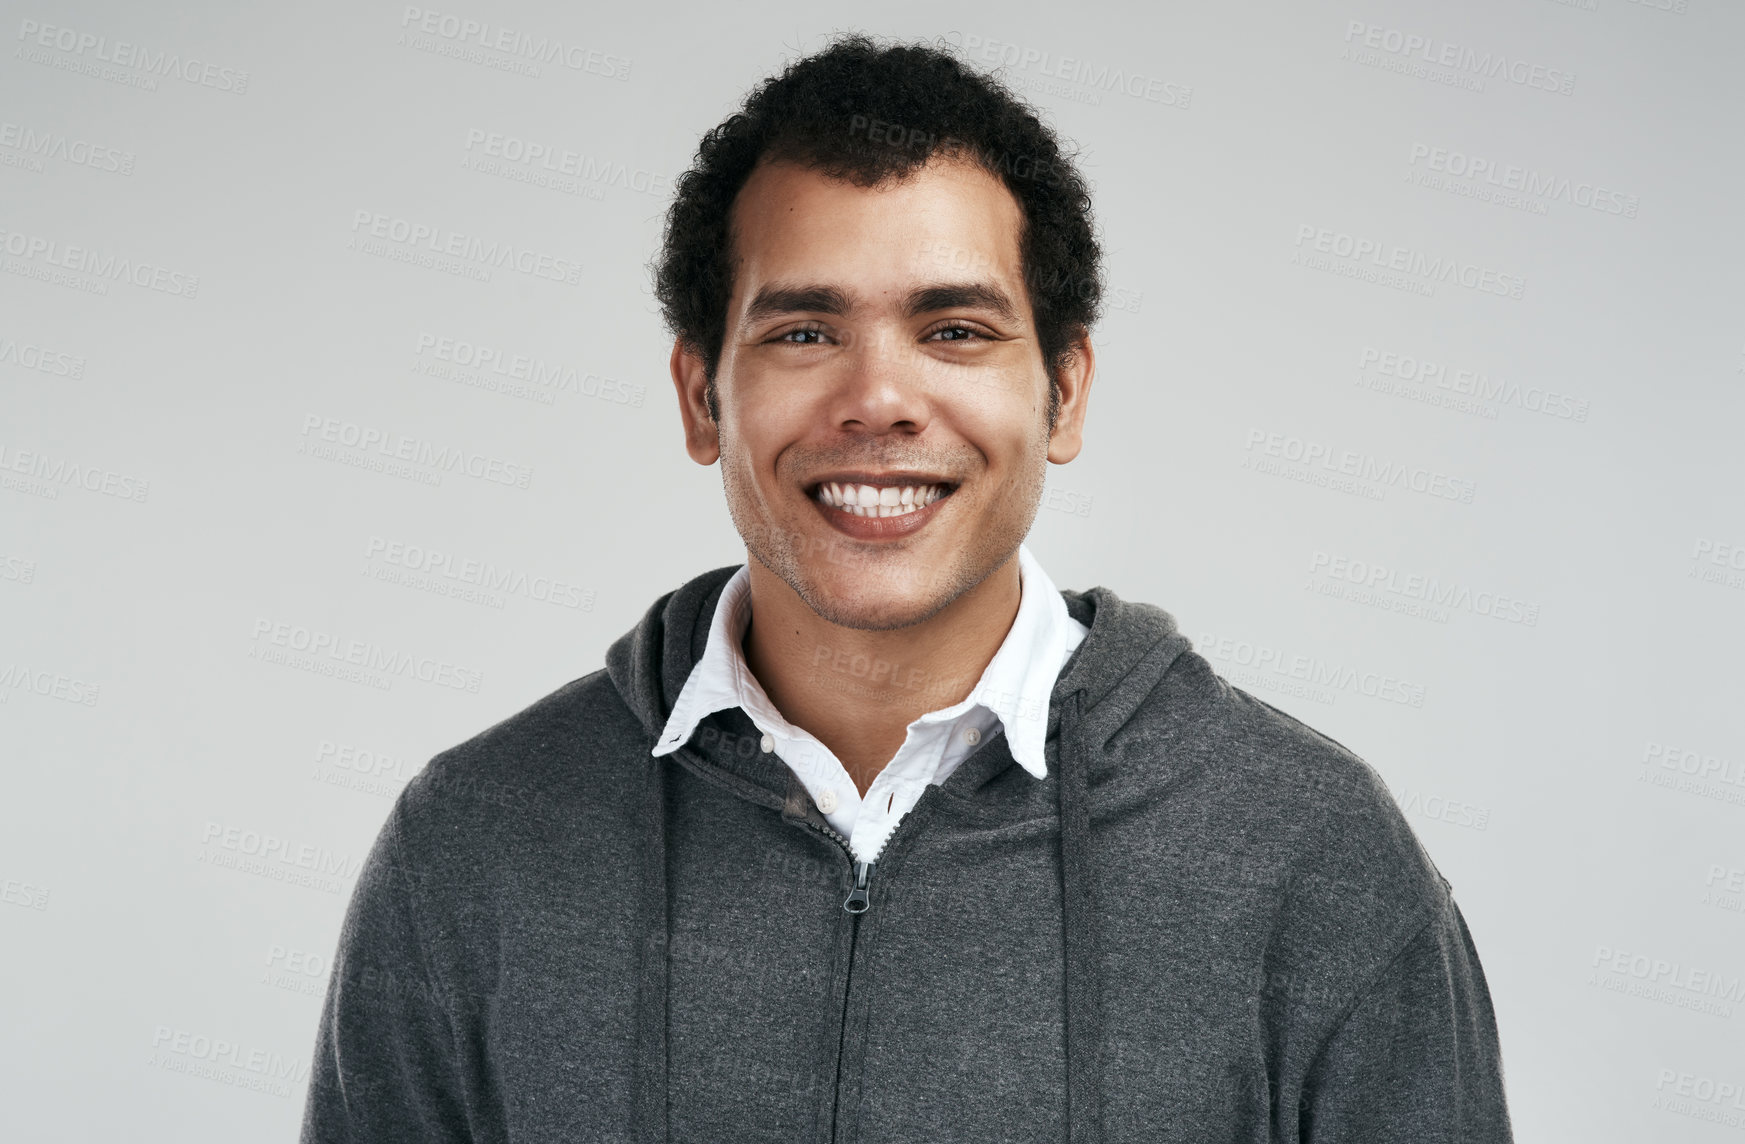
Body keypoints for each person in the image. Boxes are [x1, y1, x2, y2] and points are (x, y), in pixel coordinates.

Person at [302, 33, 1514, 1143]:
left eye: (953, 331)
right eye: (802, 333)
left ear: (1064, 392)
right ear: (698, 396)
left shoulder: (1310, 853)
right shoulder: (474, 841)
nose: (877, 398)